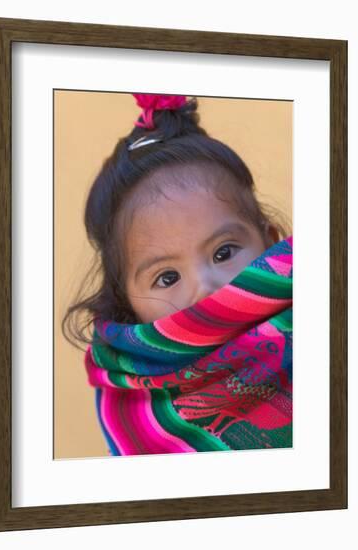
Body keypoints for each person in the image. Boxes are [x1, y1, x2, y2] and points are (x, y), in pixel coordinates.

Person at [62, 93, 293, 456]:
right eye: (167, 278)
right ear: (128, 304)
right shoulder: (136, 403)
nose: (205, 287)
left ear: (271, 242)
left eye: (224, 252)